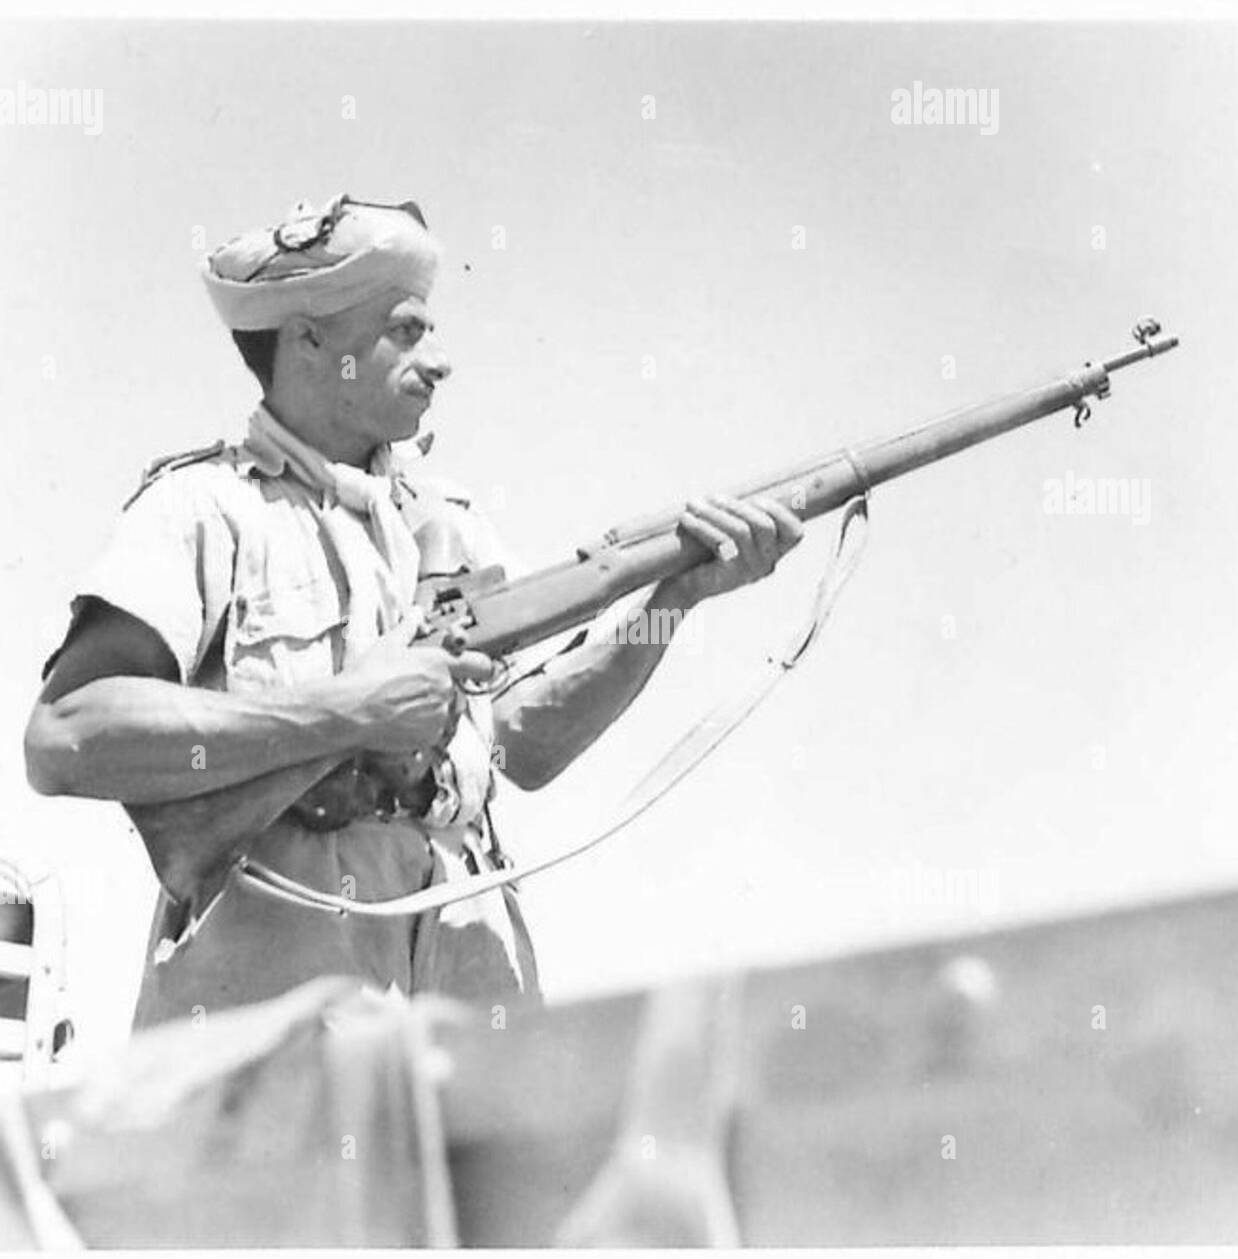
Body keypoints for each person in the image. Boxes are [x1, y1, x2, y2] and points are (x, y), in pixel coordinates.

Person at [23, 193, 804, 1028]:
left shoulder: (445, 523)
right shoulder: (205, 509)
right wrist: (350, 711)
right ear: (309, 338)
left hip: (467, 978)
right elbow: (66, 734)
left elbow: (519, 745)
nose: (439, 360)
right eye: (407, 329)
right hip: (281, 1008)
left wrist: (673, 600)